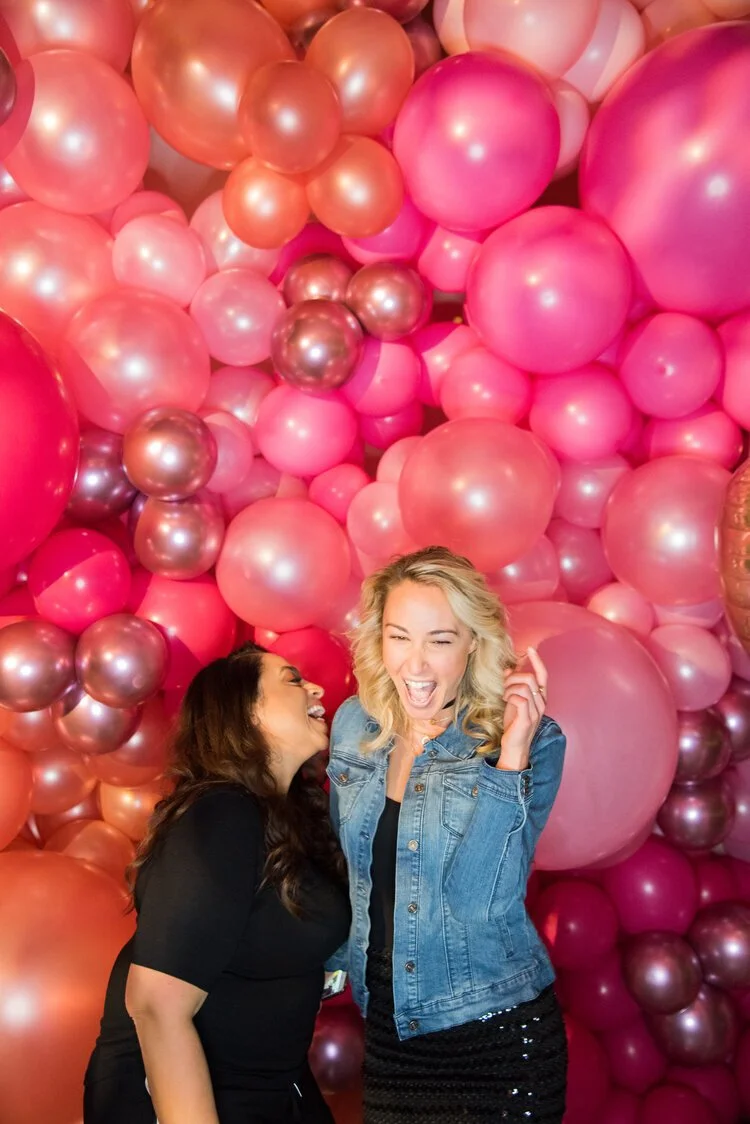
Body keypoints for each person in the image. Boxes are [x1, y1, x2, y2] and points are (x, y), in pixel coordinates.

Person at [327, 546, 568, 1123]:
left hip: (496, 1033)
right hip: (390, 1025)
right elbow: (347, 865)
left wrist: (510, 759)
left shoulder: (532, 740)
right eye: (399, 637)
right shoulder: (354, 724)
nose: (415, 664)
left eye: (439, 640)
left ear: (472, 645)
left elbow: (477, 901)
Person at [84, 642, 351, 1124]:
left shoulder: (291, 819)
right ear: (244, 711)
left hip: (274, 1086)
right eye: (292, 680)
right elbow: (156, 1006)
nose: (316, 688)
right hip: (186, 1096)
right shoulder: (219, 814)